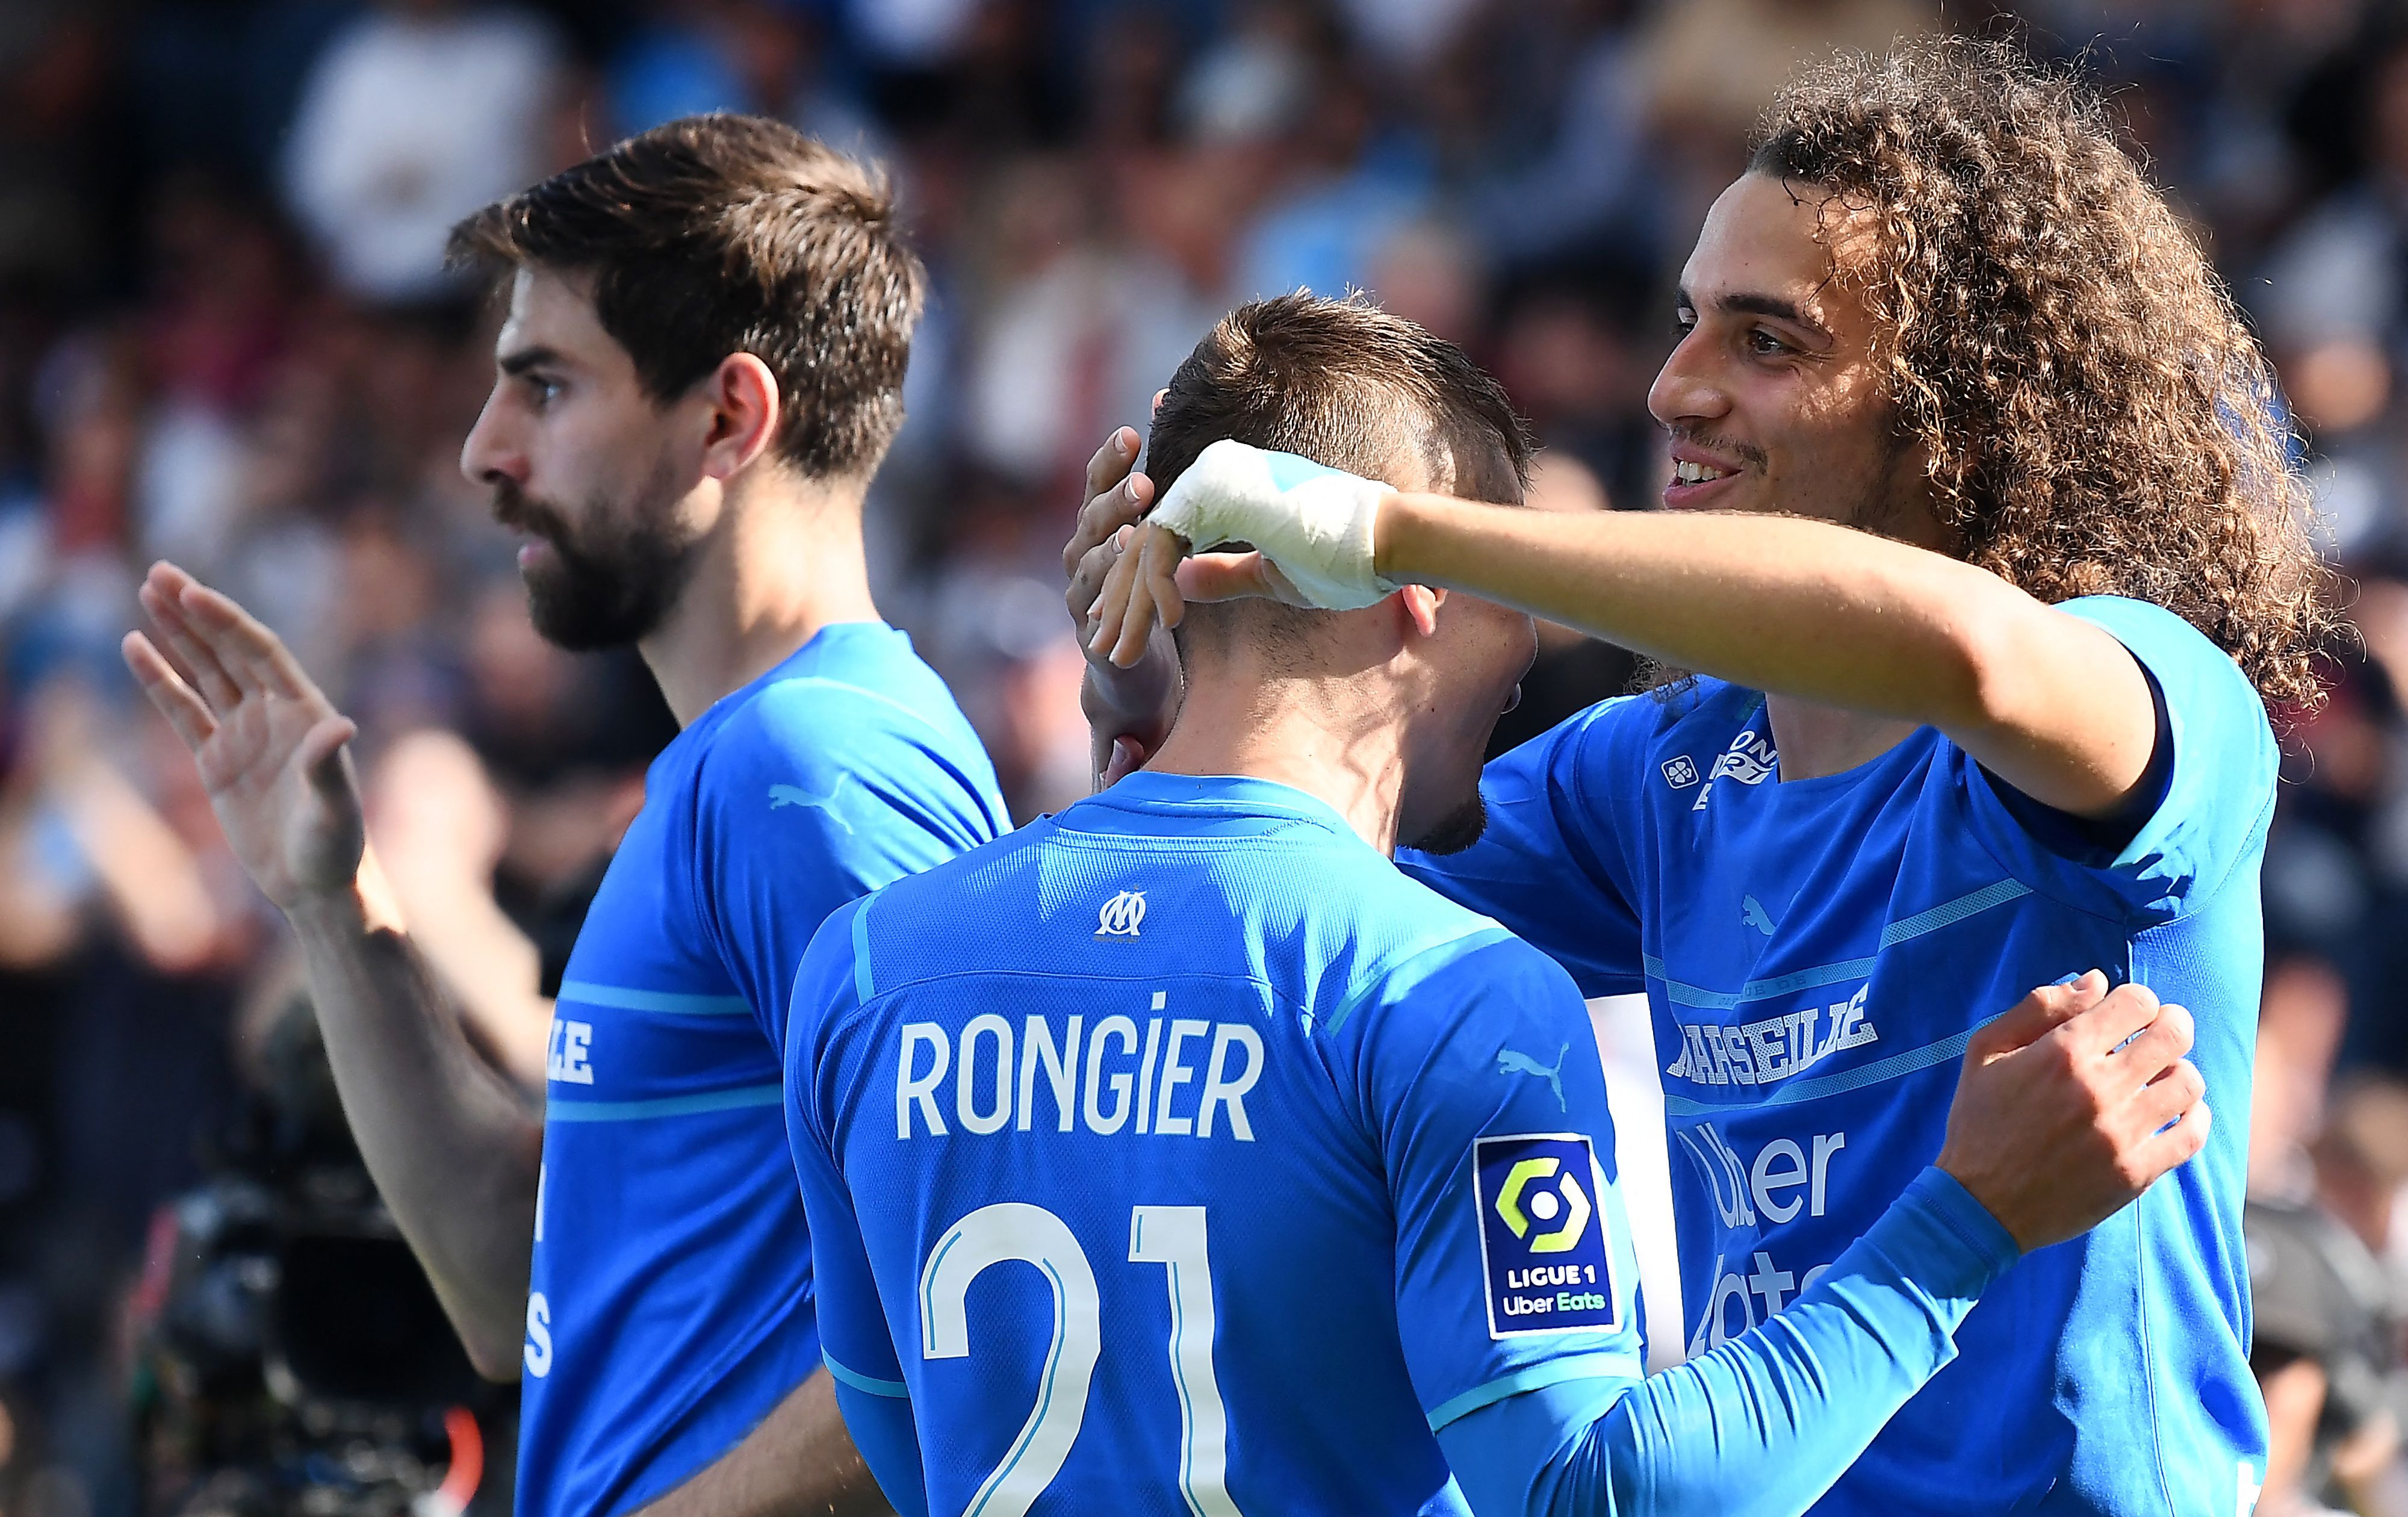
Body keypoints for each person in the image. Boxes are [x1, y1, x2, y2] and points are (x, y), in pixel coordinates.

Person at [1070, 40, 2328, 1515]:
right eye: (1684, 324)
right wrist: (1149, 668)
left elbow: (1968, 659)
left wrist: (1409, 533)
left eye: (1767, 341)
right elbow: (1283, 877)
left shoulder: (2142, 687)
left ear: (1959, 405)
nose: (1676, 387)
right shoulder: (1660, 776)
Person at [786, 294, 2209, 1517]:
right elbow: (1594, 1492)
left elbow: (905, 1445)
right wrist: (1953, 1229)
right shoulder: (1452, 990)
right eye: (1488, 560)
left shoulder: (865, 968)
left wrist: (1143, 701)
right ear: (1410, 587)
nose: (1524, 632)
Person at [123, 116, 1007, 1516]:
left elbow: (974, 1308)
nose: (481, 453)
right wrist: (334, 906)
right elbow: (497, 1284)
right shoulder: (731, 771)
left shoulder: (810, 772)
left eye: (544, 389)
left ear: (729, 416)